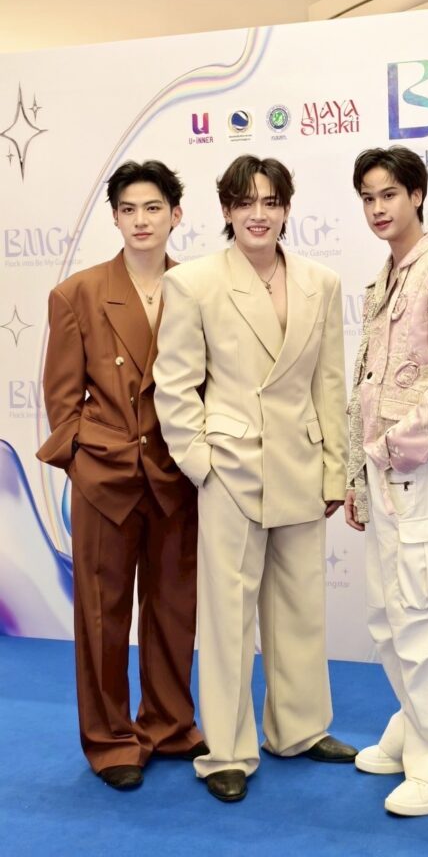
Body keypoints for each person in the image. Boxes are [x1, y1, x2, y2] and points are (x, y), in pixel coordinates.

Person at [154, 154, 356, 804]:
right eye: (246, 203)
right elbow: (174, 385)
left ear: (287, 209)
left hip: (300, 462)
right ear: (227, 210)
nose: (259, 214)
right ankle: (228, 750)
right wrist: (202, 463)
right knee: (228, 617)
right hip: (231, 469)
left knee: (300, 607)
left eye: (271, 202)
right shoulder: (194, 283)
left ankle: (298, 729)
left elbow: (329, 382)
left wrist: (335, 470)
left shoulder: (321, 282)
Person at [37, 160, 205, 790]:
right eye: (129, 209)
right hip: (106, 478)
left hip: (176, 473)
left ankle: (169, 724)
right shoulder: (77, 294)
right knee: (103, 617)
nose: (141, 220)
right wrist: (86, 458)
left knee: (173, 611)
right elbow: (60, 400)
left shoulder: (197, 289)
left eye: (153, 208)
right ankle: (110, 741)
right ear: (114, 218)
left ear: (176, 215)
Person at [345, 146, 428, 817]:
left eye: (389, 194)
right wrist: (357, 469)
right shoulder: (386, 277)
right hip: (381, 471)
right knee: (388, 616)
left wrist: (395, 450)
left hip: (416, 469)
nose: (378, 208)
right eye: (368, 197)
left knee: (427, 618)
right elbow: (366, 384)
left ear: (417, 196)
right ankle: (418, 725)